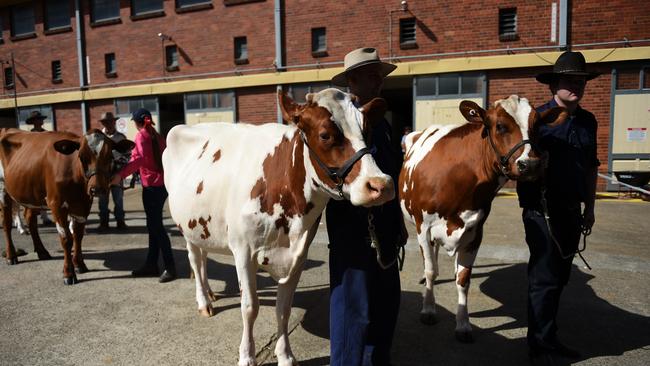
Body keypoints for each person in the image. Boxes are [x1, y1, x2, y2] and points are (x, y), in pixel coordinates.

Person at [517, 51, 600, 364]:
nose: (576, 86)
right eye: (569, 80)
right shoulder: (536, 121)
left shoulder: (588, 121)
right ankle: (538, 347)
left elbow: (591, 167)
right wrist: (539, 168)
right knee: (543, 279)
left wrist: (590, 207)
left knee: (560, 279)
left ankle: (548, 337)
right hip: (541, 212)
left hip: (571, 211)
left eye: (580, 81)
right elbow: (519, 171)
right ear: (554, 84)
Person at [328, 47, 406, 366]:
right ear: (352, 80)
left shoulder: (383, 125)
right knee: (352, 313)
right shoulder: (336, 125)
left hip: (386, 232)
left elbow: (393, 174)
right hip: (353, 235)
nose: (379, 81)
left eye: (380, 75)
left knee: (386, 306)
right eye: (371, 74)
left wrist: (399, 221)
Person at [110, 108, 176, 283]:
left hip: (151, 187)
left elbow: (137, 159)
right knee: (154, 226)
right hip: (162, 184)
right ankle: (151, 264)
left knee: (156, 227)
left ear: (137, 122)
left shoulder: (141, 136)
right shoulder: (157, 135)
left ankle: (170, 267)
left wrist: (120, 175)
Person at [97, 112, 130, 231]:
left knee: (118, 199)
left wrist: (120, 167)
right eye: (106, 122)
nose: (109, 124)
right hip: (103, 174)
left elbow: (128, 155)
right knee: (102, 199)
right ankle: (103, 222)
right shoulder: (97, 137)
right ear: (103, 123)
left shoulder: (121, 137)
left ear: (114, 122)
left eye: (110, 122)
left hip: (117, 172)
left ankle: (120, 221)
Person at [25, 111, 54, 226]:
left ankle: (45, 216)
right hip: (32, 164)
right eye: (38, 119)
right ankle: (31, 213)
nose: (40, 121)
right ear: (33, 122)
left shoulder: (47, 134)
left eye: (41, 119)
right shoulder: (29, 135)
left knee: (44, 191)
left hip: (45, 164)